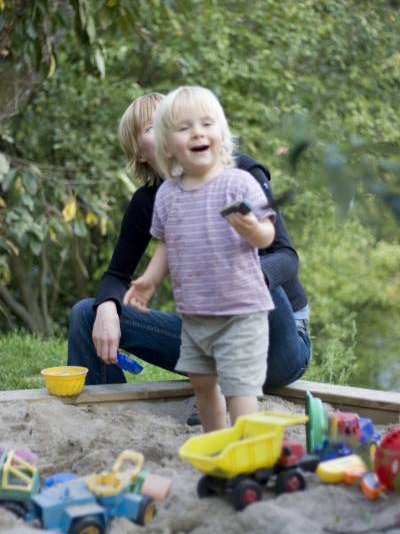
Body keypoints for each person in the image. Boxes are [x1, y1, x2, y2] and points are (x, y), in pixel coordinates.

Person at [67, 90, 310, 414]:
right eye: (154, 126)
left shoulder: (240, 174)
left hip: (278, 339)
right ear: (139, 153)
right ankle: (106, 415)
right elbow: (118, 274)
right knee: (88, 312)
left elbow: (286, 257)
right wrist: (110, 306)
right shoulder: (153, 201)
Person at [123, 85, 276, 431]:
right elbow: (166, 244)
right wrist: (149, 280)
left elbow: (268, 234)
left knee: (240, 389)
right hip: (195, 316)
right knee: (204, 386)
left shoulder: (240, 183)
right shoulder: (167, 196)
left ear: (222, 133)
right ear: (166, 145)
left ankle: (247, 452)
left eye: (207, 124)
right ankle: (218, 444)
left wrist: (252, 230)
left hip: (241, 312)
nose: (198, 133)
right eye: (184, 128)